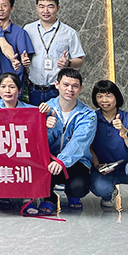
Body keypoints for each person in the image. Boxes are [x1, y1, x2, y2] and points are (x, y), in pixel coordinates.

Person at [0, 72, 55, 215]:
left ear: (20, 90)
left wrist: (47, 114)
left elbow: (47, 119)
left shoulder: (29, 110)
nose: (7, 91)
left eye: (12, 87)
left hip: (22, 153)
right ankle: (2, 195)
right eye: (3, 87)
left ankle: (28, 200)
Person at [39, 68, 95, 215]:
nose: (70, 89)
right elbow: (37, 141)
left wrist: (61, 161)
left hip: (76, 161)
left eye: (75, 86)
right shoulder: (45, 109)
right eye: (66, 85)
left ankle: (72, 194)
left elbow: (79, 142)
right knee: (40, 172)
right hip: (49, 160)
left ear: (80, 88)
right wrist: (45, 127)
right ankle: (49, 198)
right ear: (57, 84)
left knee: (79, 187)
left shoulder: (88, 115)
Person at [89, 80, 128, 214]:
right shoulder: (92, 119)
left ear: (116, 97)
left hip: (127, 167)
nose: (104, 100)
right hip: (105, 169)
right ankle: (109, 194)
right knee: (99, 187)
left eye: (108, 95)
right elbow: (88, 146)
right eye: (99, 96)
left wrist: (124, 131)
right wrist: (97, 165)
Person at [23, 0, 85, 105]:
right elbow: (23, 53)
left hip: (57, 90)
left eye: (50, 7)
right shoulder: (28, 29)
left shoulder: (69, 32)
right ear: (36, 7)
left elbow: (80, 60)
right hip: (33, 89)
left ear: (58, 8)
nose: (45, 11)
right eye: (41, 6)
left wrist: (68, 63)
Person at [0, 0, 34, 95]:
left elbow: (25, 57)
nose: (0, 9)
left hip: (12, 85)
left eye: (4, 5)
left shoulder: (19, 32)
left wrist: (24, 61)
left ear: (12, 8)